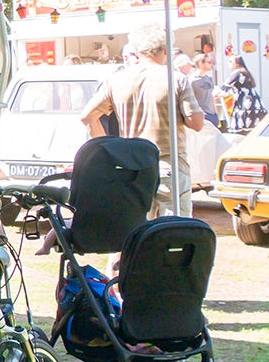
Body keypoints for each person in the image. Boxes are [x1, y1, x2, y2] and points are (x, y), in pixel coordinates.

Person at [80, 22, 204, 217]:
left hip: (132, 168)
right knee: (173, 232)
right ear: (165, 49)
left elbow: (87, 116)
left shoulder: (117, 79)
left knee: (136, 230)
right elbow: (196, 123)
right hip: (168, 165)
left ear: (138, 50)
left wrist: (108, 151)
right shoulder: (175, 78)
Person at [224, 56, 265, 132]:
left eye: (230, 62)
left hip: (244, 101)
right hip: (252, 100)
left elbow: (225, 86)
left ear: (236, 63)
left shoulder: (237, 72)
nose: (228, 64)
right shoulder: (245, 72)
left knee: (243, 126)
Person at [190, 53, 220, 127]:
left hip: (212, 114)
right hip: (202, 115)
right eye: (208, 62)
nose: (211, 64)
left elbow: (212, 97)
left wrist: (216, 113)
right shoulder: (192, 80)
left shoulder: (209, 78)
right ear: (201, 64)